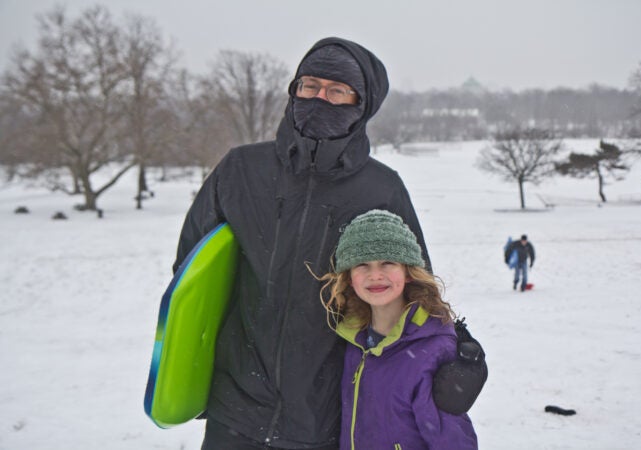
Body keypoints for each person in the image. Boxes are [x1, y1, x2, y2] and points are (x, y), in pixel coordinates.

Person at [172, 37, 485, 449]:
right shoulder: (241, 170)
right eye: (310, 86)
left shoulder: (381, 188)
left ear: (362, 104)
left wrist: (455, 348)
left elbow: (407, 287)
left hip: (328, 415)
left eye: (337, 90)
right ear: (293, 90)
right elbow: (192, 275)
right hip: (236, 410)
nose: (320, 97)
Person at [318, 210, 478, 449]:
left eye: (388, 262)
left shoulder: (433, 350)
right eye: (362, 264)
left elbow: (453, 441)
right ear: (350, 277)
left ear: (408, 272)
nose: (375, 275)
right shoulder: (354, 340)